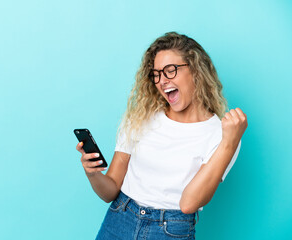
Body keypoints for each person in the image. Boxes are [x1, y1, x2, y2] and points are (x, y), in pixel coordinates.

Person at [76, 32, 248, 240]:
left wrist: (229, 143)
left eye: (170, 70)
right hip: (120, 219)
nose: (162, 81)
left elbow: (189, 203)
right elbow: (110, 191)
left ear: (196, 71)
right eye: (157, 74)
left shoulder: (222, 135)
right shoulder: (140, 119)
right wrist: (93, 173)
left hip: (170, 231)